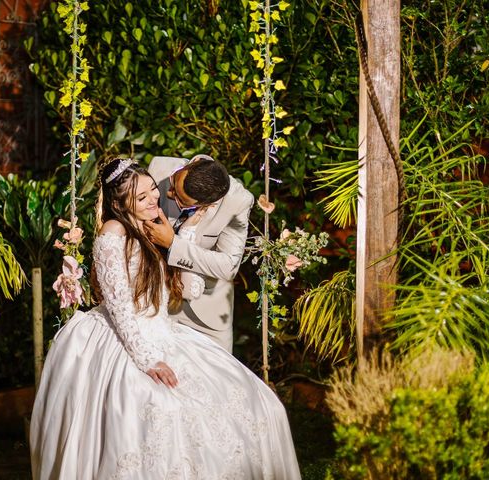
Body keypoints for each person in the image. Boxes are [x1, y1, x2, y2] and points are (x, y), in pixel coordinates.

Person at [30, 158, 300, 479]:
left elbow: (192, 288)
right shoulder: (113, 233)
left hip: (162, 330)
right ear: (118, 202)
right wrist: (148, 360)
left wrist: (178, 238)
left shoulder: (151, 228)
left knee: (251, 401)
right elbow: (119, 306)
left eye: (152, 193)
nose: (157, 197)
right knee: (161, 410)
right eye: (142, 196)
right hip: (128, 336)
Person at [145, 155, 253, 352]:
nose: (168, 193)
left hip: (207, 314)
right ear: (192, 165)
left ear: (207, 205)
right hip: (155, 303)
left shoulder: (238, 201)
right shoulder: (159, 168)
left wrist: (173, 244)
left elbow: (228, 266)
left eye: (179, 199)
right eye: (173, 182)